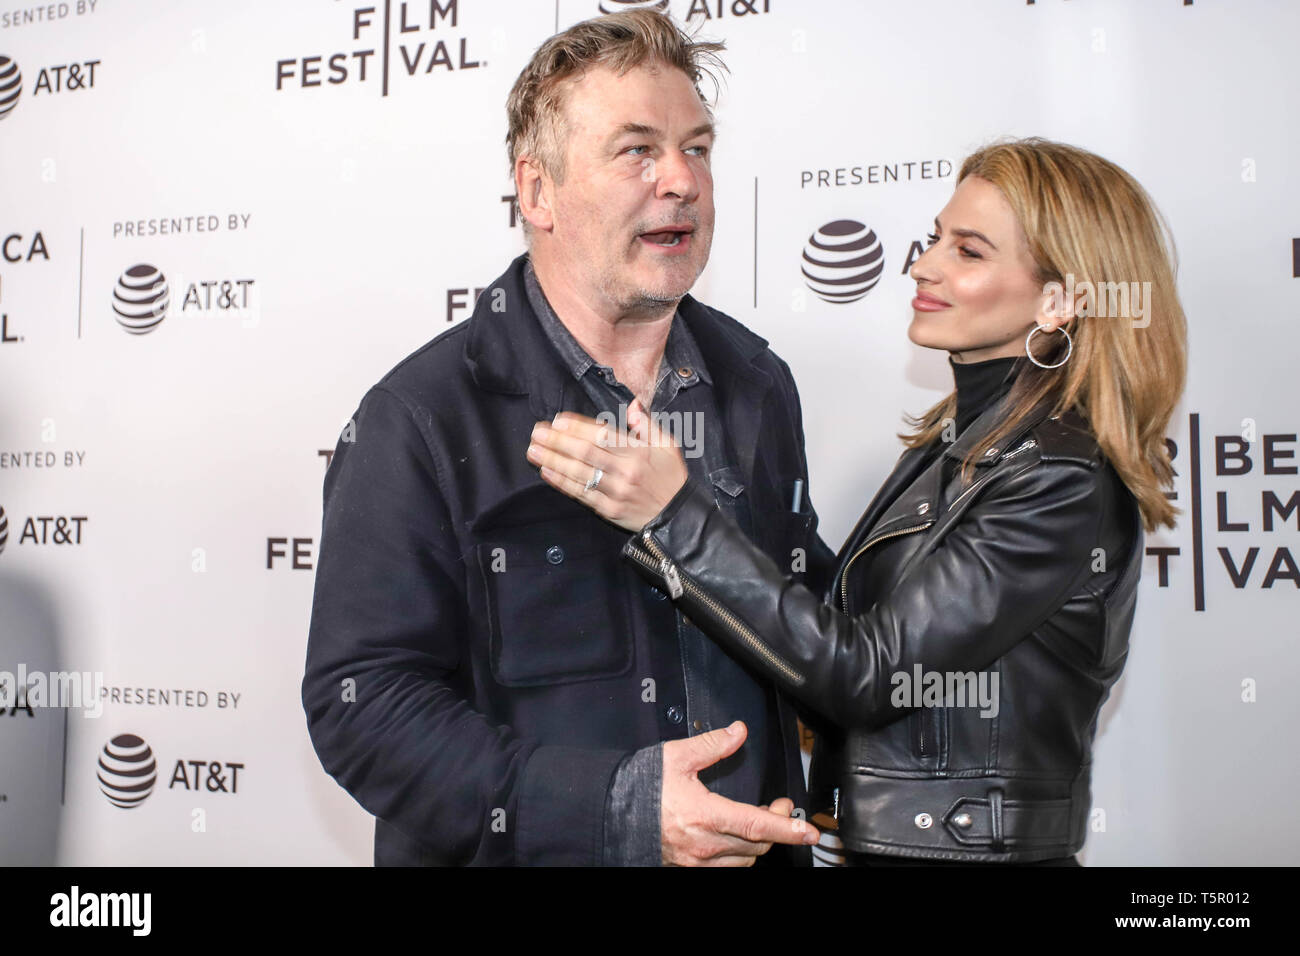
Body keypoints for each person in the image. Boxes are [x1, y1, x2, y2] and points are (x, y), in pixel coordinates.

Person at [527, 137, 1188, 864]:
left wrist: (674, 516)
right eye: (937, 238)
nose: (923, 265)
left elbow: (870, 677)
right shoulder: (955, 450)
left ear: (1061, 300)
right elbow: (840, 651)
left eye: (968, 252)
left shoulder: (1057, 479)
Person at [301, 10, 828, 866]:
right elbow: (364, 709)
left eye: (697, 147)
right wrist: (616, 812)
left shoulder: (758, 385)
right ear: (537, 191)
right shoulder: (422, 417)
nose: (681, 181)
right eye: (637, 151)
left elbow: (799, 620)